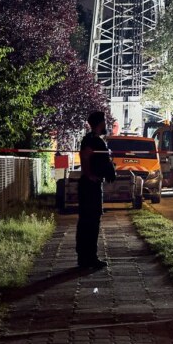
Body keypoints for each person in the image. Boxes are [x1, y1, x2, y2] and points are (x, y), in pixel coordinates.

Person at [77, 110, 116, 269]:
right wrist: (90, 175)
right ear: (100, 123)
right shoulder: (92, 140)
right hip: (90, 186)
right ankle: (88, 257)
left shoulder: (93, 139)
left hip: (90, 184)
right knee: (90, 221)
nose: (105, 124)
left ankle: (85, 257)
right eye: (104, 121)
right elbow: (85, 157)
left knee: (89, 220)